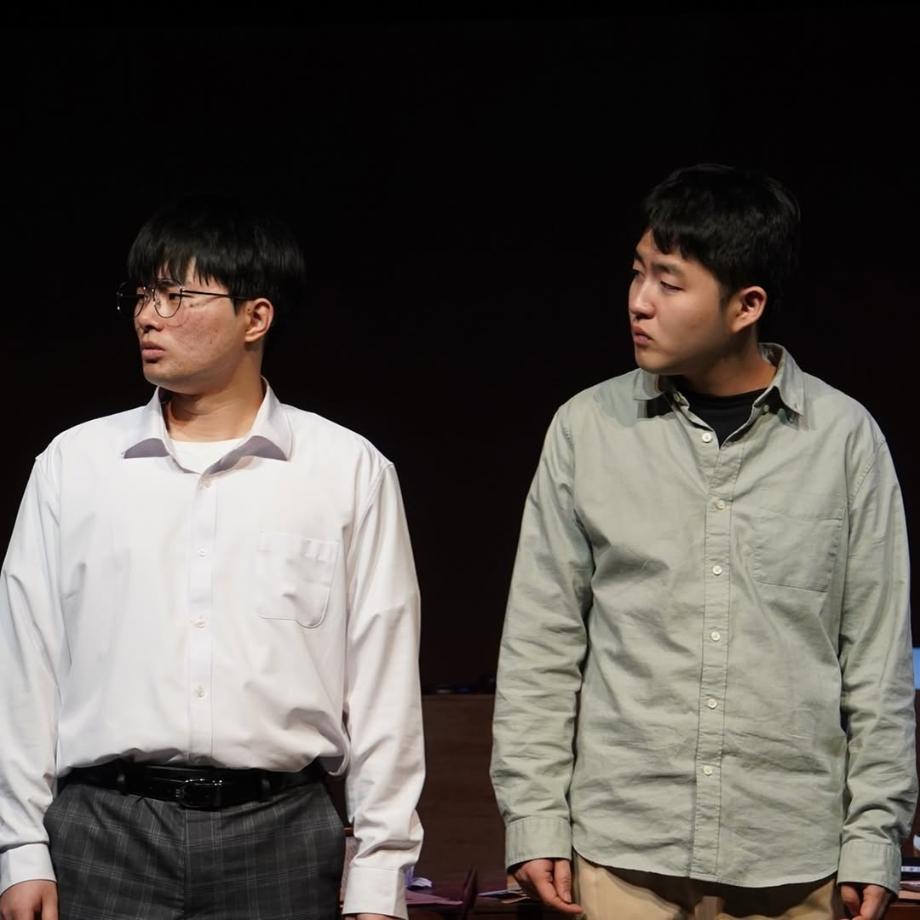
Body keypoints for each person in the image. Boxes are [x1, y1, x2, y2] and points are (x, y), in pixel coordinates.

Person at [491, 164, 916, 920]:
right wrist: (534, 817)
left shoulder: (844, 439)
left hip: (791, 853)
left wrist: (874, 835)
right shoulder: (587, 428)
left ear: (746, 305)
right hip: (622, 850)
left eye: (669, 282)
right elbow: (540, 643)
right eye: (637, 272)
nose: (639, 301)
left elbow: (877, 660)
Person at [0, 195, 424, 920]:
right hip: (104, 830)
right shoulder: (75, 465)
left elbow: (384, 679)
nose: (148, 316)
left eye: (176, 295)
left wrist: (381, 872)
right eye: (141, 295)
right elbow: (26, 665)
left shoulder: (346, 469)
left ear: (255, 318)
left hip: (281, 831)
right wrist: (20, 847)